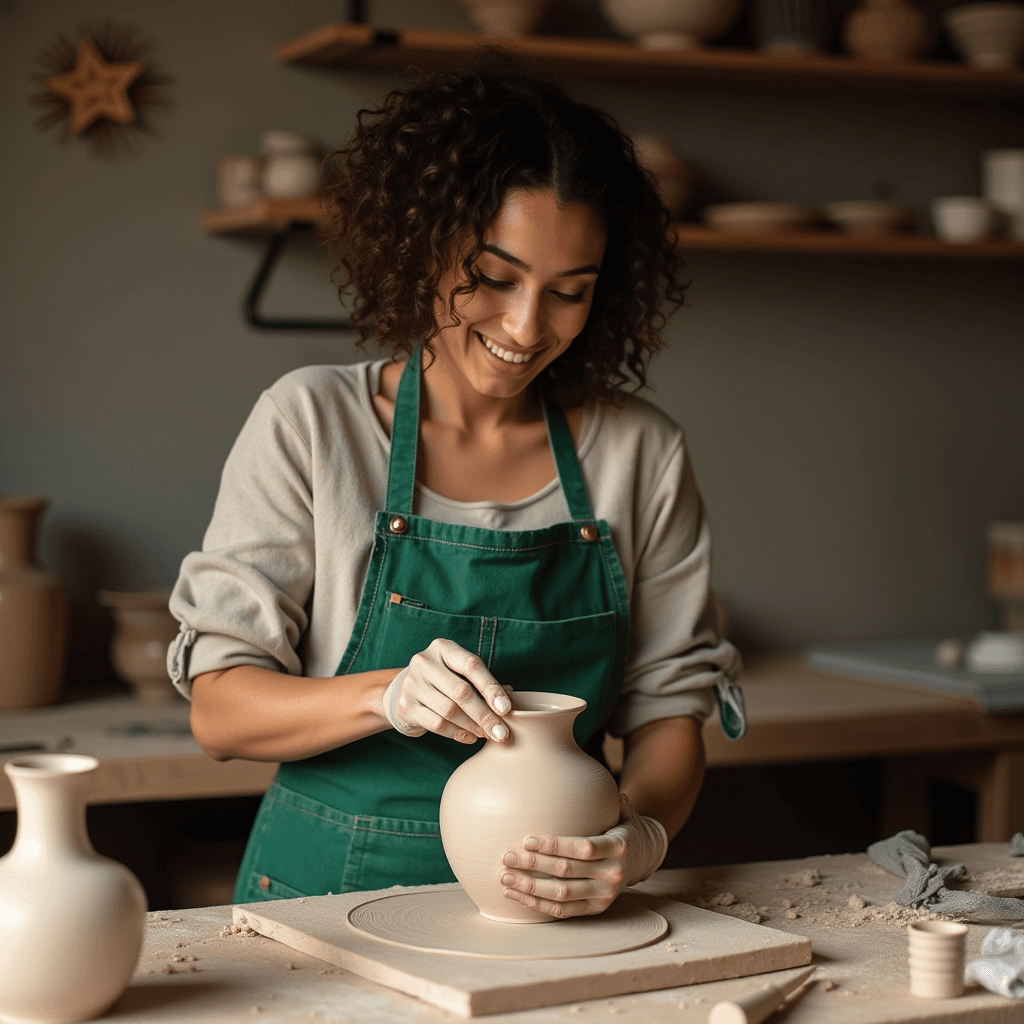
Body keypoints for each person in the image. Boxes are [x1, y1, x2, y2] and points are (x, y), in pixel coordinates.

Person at [167, 57, 744, 919]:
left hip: (551, 906)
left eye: (568, 293)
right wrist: (385, 692)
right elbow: (220, 713)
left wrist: (643, 836)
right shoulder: (312, 422)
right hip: (322, 897)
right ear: (426, 243)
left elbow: (667, 713)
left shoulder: (640, 453)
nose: (524, 327)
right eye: (497, 276)